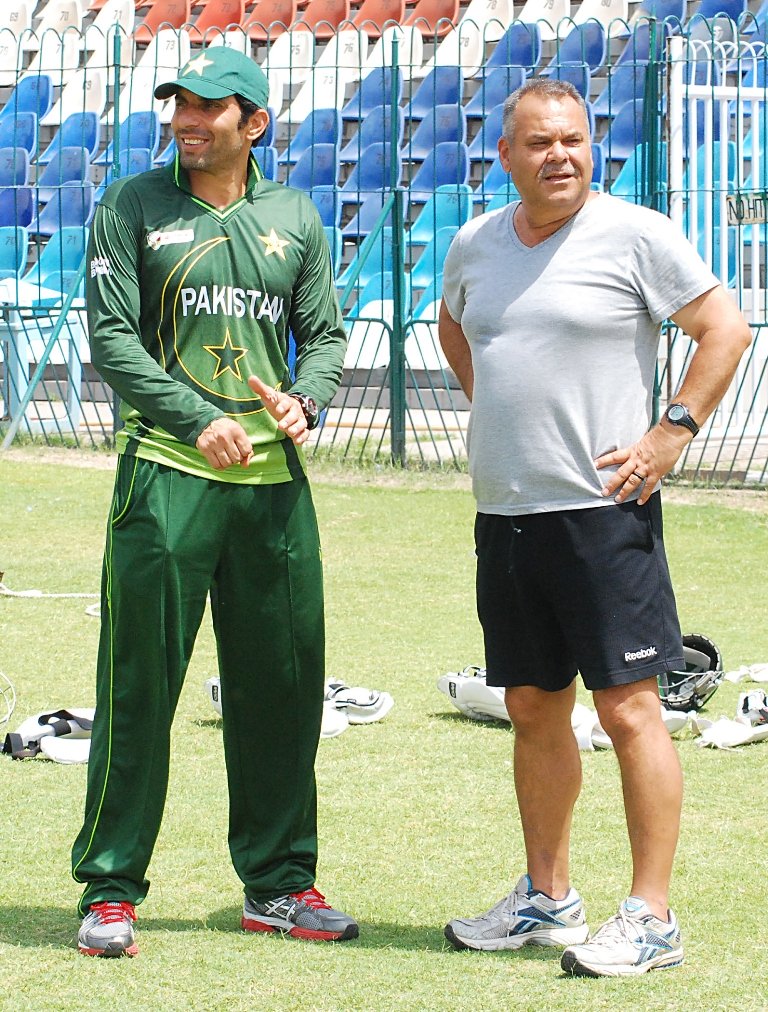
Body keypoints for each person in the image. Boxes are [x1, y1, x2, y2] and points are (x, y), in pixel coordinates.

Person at [439, 78, 751, 978]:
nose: (560, 156)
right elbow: (458, 329)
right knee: (535, 707)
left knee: (631, 711)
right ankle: (548, 898)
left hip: (604, 515)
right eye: (539, 143)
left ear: (592, 146)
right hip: (506, 514)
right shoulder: (474, 244)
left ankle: (651, 916)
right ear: (506, 156)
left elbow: (723, 329)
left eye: (573, 140)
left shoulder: (636, 234)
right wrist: (498, 411)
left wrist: (671, 433)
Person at [72, 47, 357, 957]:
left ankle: (278, 885)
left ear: (255, 123)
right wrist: (197, 419)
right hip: (165, 475)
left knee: (281, 690)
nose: (186, 122)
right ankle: (111, 890)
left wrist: (305, 400)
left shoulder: (296, 216)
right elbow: (111, 338)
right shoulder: (132, 205)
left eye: (207, 108)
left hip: (272, 489)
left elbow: (326, 335)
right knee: (138, 689)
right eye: (177, 106)